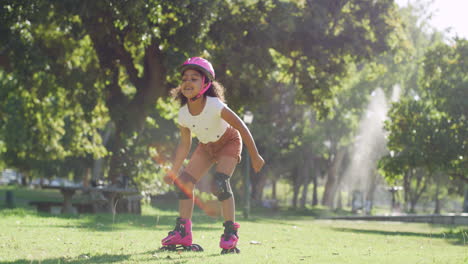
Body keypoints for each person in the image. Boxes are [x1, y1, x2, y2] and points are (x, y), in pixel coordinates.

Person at [160, 57, 265, 254]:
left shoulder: (215, 105)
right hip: (206, 147)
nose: (187, 82)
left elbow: (241, 126)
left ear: (206, 84)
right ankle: (183, 232)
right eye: (184, 79)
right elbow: (185, 144)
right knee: (184, 181)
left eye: (194, 78)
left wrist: (255, 154)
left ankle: (230, 233)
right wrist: (174, 171)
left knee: (220, 183)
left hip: (229, 142)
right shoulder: (183, 114)